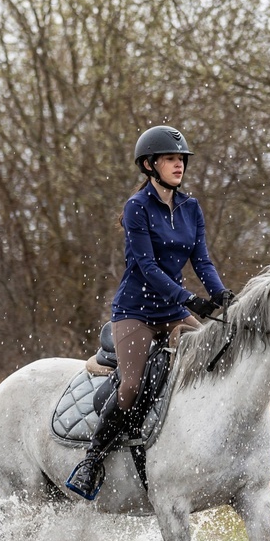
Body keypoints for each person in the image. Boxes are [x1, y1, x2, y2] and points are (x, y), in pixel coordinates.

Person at [66, 125, 232, 499]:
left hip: (172, 309)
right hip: (135, 311)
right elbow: (148, 267)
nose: (179, 165)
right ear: (150, 165)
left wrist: (222, 295)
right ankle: (93, 459)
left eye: (181, 160)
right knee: (132, 385)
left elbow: (202, 260)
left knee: (211, 360)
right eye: (171, 159)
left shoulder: (191, 208)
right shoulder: (136, 207)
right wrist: (190, 299)